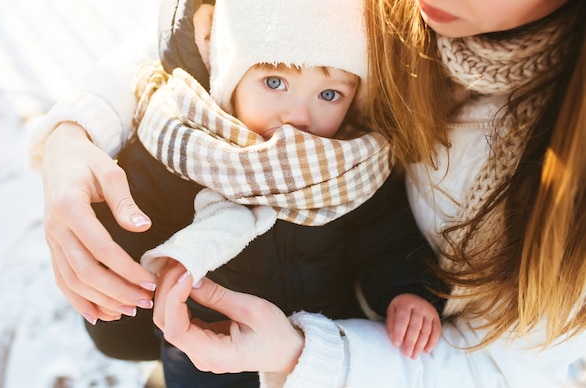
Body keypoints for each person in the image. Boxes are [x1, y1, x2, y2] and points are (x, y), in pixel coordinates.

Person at [31, 0, 586, 386]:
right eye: (274, 83)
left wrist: (395, 299)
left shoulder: (350, 166)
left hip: (341, 345)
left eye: (327, 93)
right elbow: (211, 32)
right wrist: (77, 136)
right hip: (193, 343)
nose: (298, 116)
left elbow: (387, 239)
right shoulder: (189, 138)